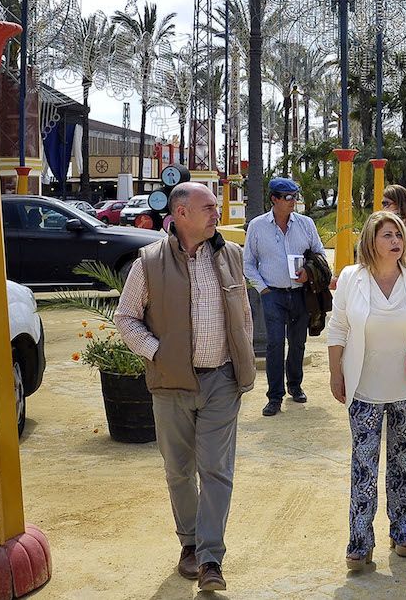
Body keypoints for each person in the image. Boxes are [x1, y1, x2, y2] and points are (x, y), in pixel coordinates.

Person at [115, 182, 257, 593]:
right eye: (208, 208)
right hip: (171, 384)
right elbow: (126, 318)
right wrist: (157, 352)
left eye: (216, 207)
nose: (217, 214)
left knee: (215, 468)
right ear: (181, 214)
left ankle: (211, 558)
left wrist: (241, 354)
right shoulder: (149, 263)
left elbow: (243, 313)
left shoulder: (231, 254)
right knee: (179, 469)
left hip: (222, 381)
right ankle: (189, 544)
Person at [325, 211, 406, 571]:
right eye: (386, 235)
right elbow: (338, 329)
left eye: (398, 235)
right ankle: (360, 543)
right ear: (371, 240)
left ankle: (404, 531)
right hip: (363, 387)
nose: (395, 241)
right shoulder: (352, 277)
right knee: (364, 467)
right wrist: (336, 375)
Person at [243, 176, 328, 416]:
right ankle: (274, 397)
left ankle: (295, 386)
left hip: (301, 294)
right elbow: (248, 263)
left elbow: (319, 254)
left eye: (295, 197)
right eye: (288, 198)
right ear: (274, 199)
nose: (293, 202)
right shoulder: (258, 226)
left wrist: (308, 274)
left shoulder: (306, 224)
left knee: (298, 343)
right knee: (274, 345)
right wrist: (263, 289)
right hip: (272, 295)